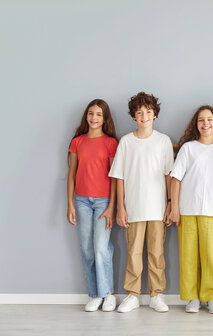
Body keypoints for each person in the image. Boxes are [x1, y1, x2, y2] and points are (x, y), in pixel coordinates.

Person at [109, 92, 174, 313]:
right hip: (133, 207)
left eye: (148, 111)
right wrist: (120, 207)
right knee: (134, 253)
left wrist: (170, 203)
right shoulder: (126, 142)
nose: (144, 116)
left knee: (157, 254)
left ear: (154, 114)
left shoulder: (163, 141)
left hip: (157, 208)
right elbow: (119, 176)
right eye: (139, 112)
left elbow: (169, 175)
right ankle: (132, 295)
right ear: (134, 116)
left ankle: (157, 294)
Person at [168, 105, 213, 314]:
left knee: (212, 255)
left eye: (209, 119)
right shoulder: (188, 148)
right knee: (188, 256)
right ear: (196, 125)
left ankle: (212, 297)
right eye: (201, 120)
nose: (206, 124)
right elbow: (175, 179)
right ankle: (192, 297)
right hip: (186, 210)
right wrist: (174, 208)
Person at [67, 99, 118, 312]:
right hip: (81, 201)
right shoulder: (77, 142)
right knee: (87, 249)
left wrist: (111, 206)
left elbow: (115, 178)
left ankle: (108, 294)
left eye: (98, 114)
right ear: (86, 116)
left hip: (103, 201)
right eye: (91, 114)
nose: (94, 118)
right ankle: (95, 294)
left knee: (100, 248)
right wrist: (70, 204)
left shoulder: (110, 143)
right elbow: (71, 175)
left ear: (104, 118)